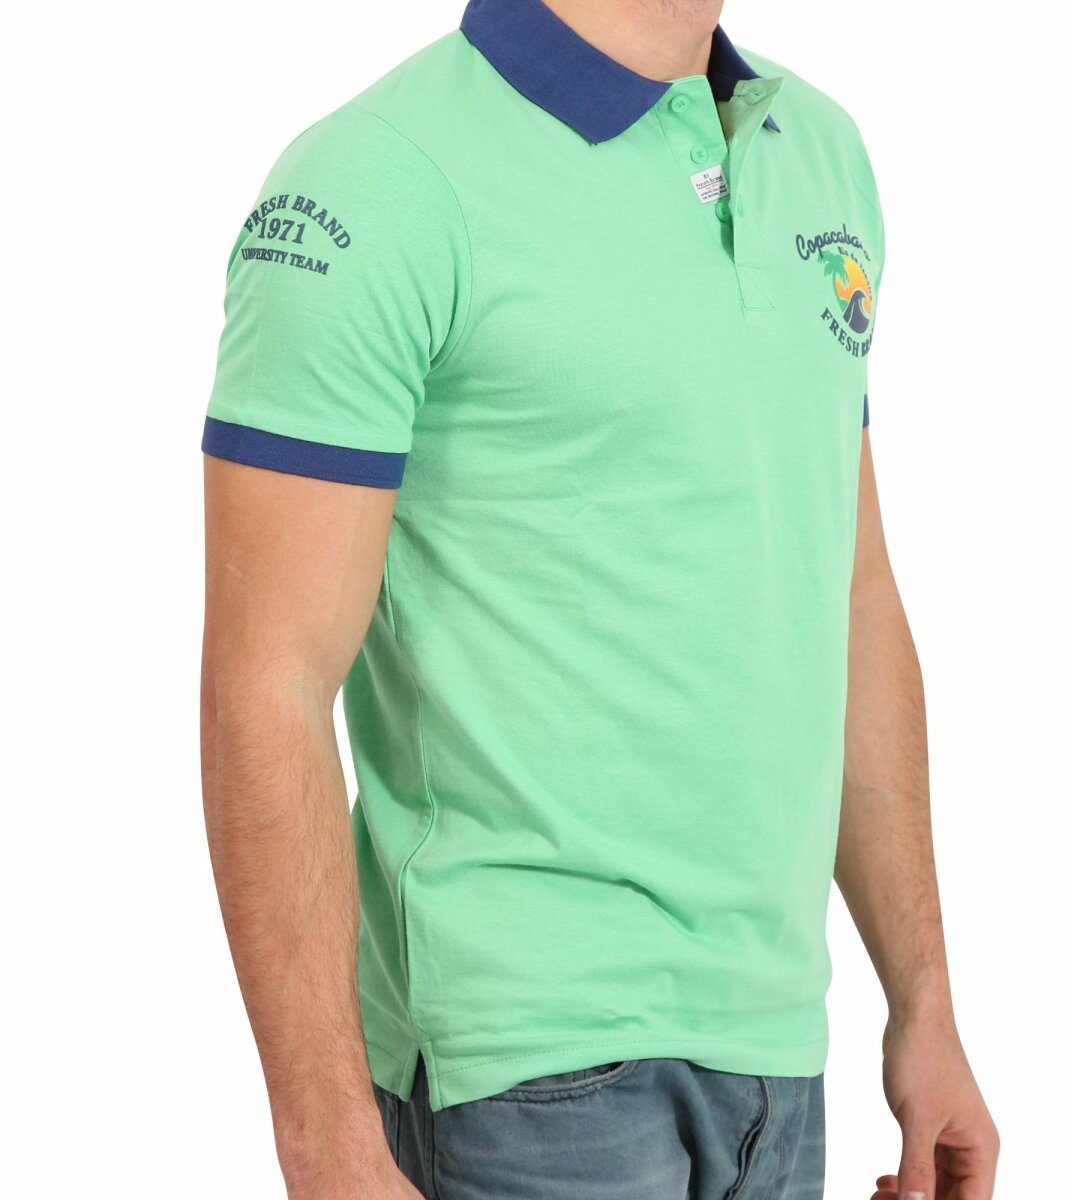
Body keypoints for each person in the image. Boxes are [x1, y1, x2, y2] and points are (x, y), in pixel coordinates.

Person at [199, 1, 999, 1196]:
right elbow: (266, 680)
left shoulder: (815, 150)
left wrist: (923, 1004)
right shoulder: (380, 181)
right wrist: (327, 1147)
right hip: (520, 1068)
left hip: (779, 1051)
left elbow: (849, 590)